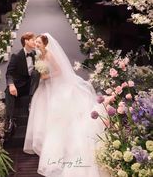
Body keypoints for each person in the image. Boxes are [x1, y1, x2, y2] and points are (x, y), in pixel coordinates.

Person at [23, 33, 109, 177]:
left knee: (56, 113)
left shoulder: (49, 55)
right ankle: (43, 142)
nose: (36, 44)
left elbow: (59, 71)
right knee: (41, 110)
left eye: (39, 42)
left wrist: (46, 76)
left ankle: (57, 147)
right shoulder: (39, 55)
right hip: (45, 87)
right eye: (36, 42)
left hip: (55, 85)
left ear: (45, 44)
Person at [4, 32, 40, 136]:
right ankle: (10, 121)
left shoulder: (35, 54)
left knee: (36, 72)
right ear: (26, 41)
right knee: (8, 91)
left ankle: (31, 101)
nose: (35, 42)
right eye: (33, 40)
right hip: (19, 85)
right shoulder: (16, 55)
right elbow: (9, 73)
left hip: (31, 85)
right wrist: (11, 85)